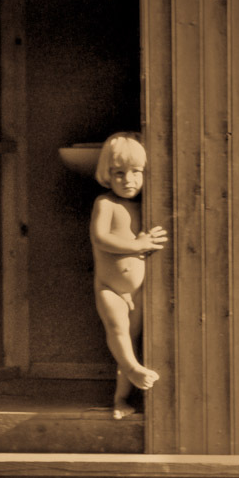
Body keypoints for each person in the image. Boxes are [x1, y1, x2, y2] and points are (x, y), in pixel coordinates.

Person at [90, 132, 168, 419]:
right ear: (107, 175)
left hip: (137, 290)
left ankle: (121, 399)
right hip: (110, 288)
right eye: (119, 173)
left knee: (130, 343)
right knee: (118, 332)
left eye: (136, 172)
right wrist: (138, 244)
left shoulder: (147, 206)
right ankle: (134, 372)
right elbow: (101, 239)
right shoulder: (105, 204)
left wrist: (145, 244)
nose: (128, 180)